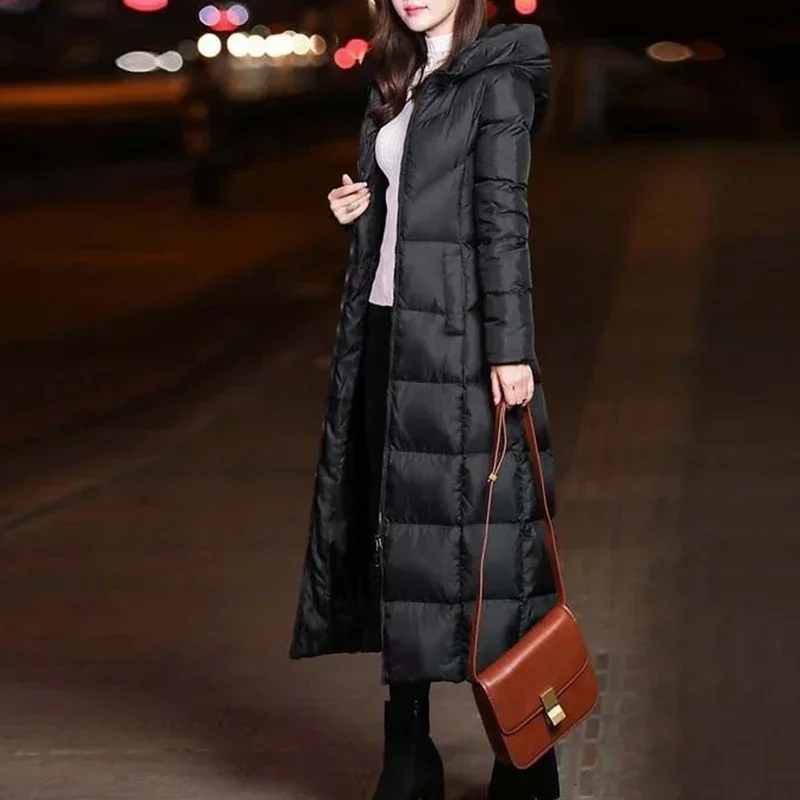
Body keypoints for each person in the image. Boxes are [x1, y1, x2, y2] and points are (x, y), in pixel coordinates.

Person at [290, 2, 560, 798]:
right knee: (394, 540)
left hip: (462, 345)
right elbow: (410, 208)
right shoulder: (396, 74)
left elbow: (502, 219)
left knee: (489, 551)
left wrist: (511, 348)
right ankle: (408, 756)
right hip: (386, 332)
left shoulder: (498, 78)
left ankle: (526, 759)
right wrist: (360, 208)